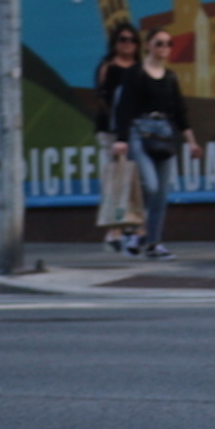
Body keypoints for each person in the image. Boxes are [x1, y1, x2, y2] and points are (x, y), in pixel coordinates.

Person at [108, 28, 199, 258]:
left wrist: (191, 142)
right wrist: (121, 139)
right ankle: (133, 227)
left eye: (168, 44)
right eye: (159, 43)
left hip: (164, 133)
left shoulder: (170, 76)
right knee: (150, 185)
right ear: (147, 45)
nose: (164, 49)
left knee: (162, 192)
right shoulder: (135, 73)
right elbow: (124, 108)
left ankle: (153, 243)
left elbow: (180, 111)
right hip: (140, 131)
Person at [94, 23, 146, 255]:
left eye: (131, 40)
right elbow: (101, 97)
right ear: (114, 43)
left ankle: (136, 227)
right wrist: (117, 124)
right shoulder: (108, 67)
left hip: (138, 130)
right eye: (122, 39)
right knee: (115, 178)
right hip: (112, 131)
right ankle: (114, 229)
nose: (127, 44)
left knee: (139, 178)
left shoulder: (140, 67)